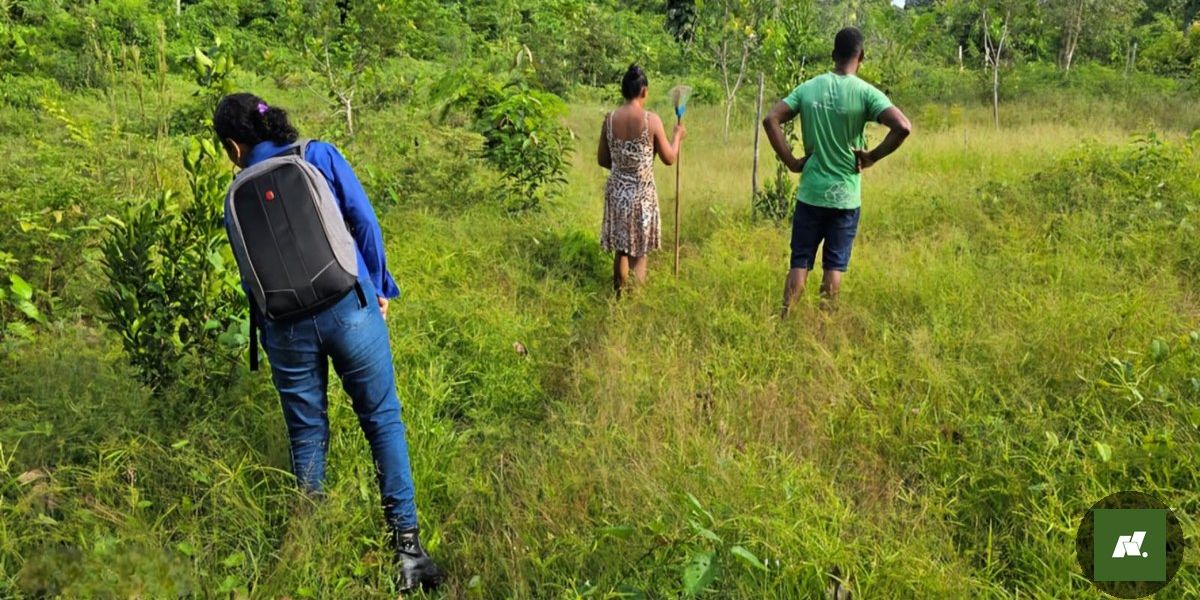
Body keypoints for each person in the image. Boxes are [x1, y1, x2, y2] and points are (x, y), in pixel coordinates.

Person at [212, 93, 443, 592]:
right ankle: (407, 552)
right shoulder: (317, 155)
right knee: (382, 421)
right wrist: (379, 285)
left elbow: (252, 278)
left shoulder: (235, 194)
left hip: (287, 330)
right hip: (350, 308)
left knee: (306, 435)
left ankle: (311, 550)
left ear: (233, 146)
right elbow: (364, 222)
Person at [762, 27, 912, 318]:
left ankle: (784, 322)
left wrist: (792, 162)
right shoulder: (865, 93)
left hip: (811, 194)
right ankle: (824, 331)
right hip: (845, 198)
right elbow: (902, 126)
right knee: (833, 269)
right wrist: (871, 157)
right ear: (862, 56)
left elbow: (771, 120)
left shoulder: (808, 88)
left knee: (799, 264)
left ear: (833, 55)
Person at [598, 64, 686, 296]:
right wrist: (677, 136)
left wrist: (622, 166)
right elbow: (669, 158)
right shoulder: (651, 120)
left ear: (623, 91)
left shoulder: (609, 119)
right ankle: (634, 303)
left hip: (617, 194)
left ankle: (619, 297)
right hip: (641, 196)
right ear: (644, 91)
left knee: (622, 249)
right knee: (639, 252)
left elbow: (603, 159)